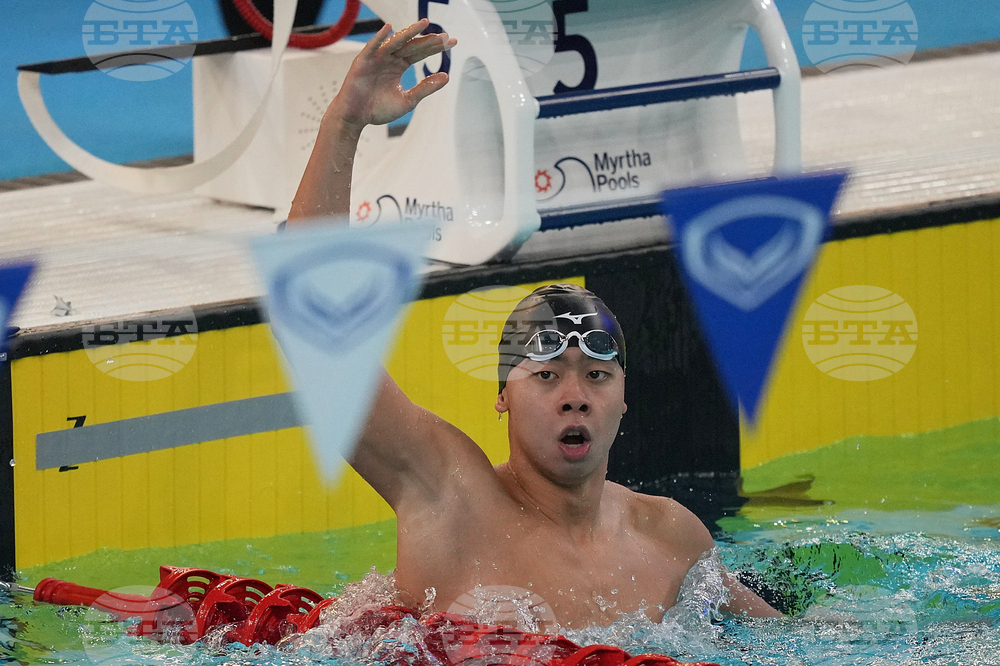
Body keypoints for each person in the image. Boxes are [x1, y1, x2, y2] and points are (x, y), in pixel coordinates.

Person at [287, 20, 781, 628]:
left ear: (625, 397)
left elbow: (788, 642)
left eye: (598, 375)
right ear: (503, 396)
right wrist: (344, 123)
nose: (575, 398)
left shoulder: (670, 539)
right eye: (547, 376)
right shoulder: (448, 498)